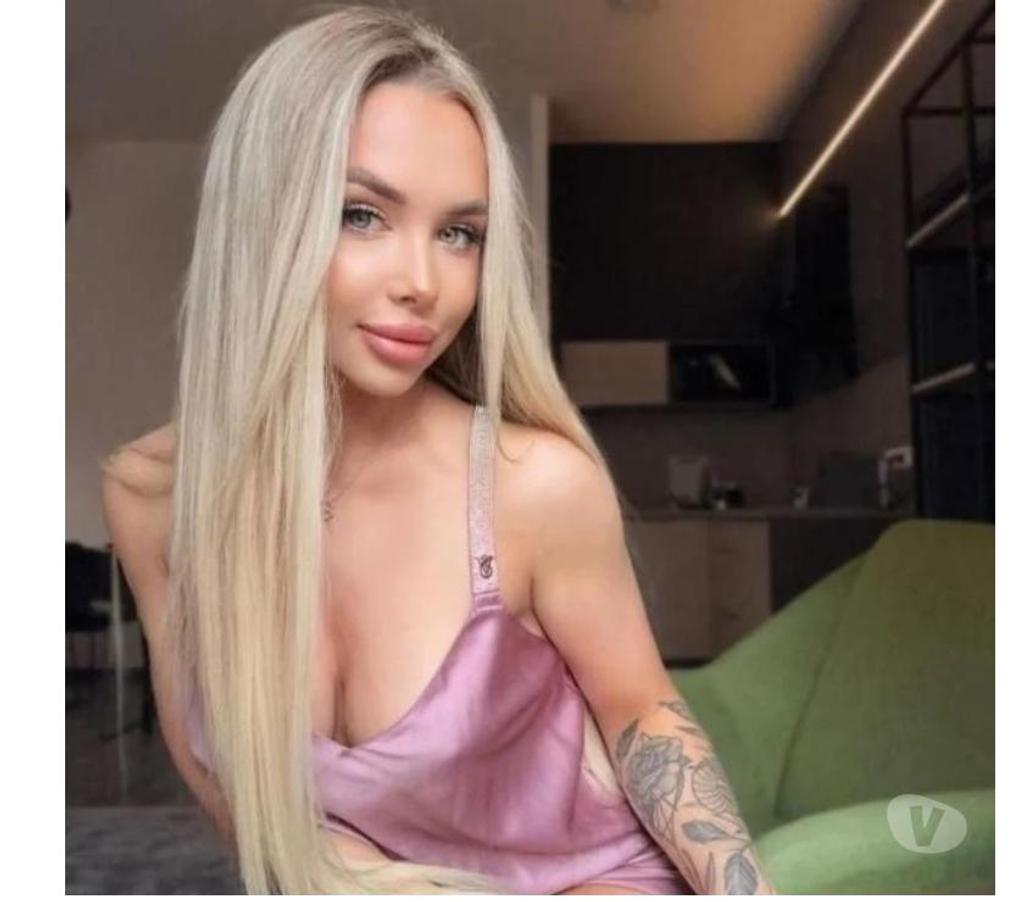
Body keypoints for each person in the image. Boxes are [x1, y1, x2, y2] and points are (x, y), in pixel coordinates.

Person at [101, 5, 774, 895]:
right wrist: (334, 873)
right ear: (262, 221)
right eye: (361, 215)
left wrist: (746, 889)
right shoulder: (154, 497)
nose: (424, 283)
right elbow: (217, 768)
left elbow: (641, 712)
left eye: (460, 233)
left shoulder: (531, 487)